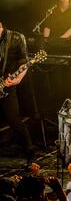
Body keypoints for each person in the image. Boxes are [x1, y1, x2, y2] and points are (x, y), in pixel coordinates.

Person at [0, 21, 34, 166]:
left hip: (8, 85)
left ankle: (30, 154)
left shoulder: (16, 38)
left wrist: (17, 79)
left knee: (15, 121)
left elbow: (24, 62)